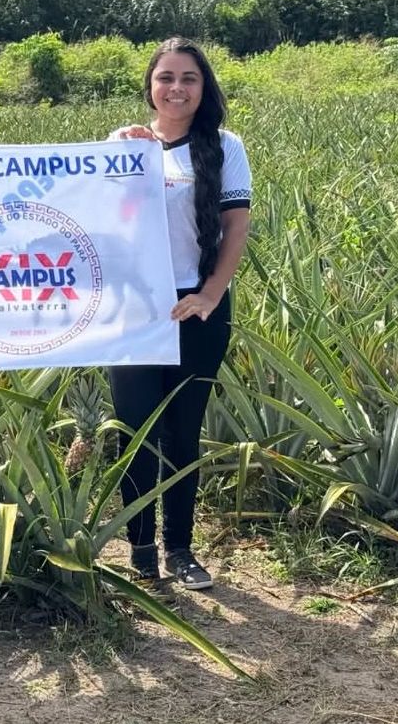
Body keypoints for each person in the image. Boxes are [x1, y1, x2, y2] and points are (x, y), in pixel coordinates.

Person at [108, 37, 251, 590]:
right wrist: (117, 157)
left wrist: (212, 294)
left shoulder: (224, 146)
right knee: (134, 428)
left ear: (203, 86)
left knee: (183, 431)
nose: (176, 87)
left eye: (188, 78)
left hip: (198, 305)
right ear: (150, 84)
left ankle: (181, 548)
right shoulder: (123, 146)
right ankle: (140, 549)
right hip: (133, 308)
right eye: (165, 77)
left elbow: (235, 226)